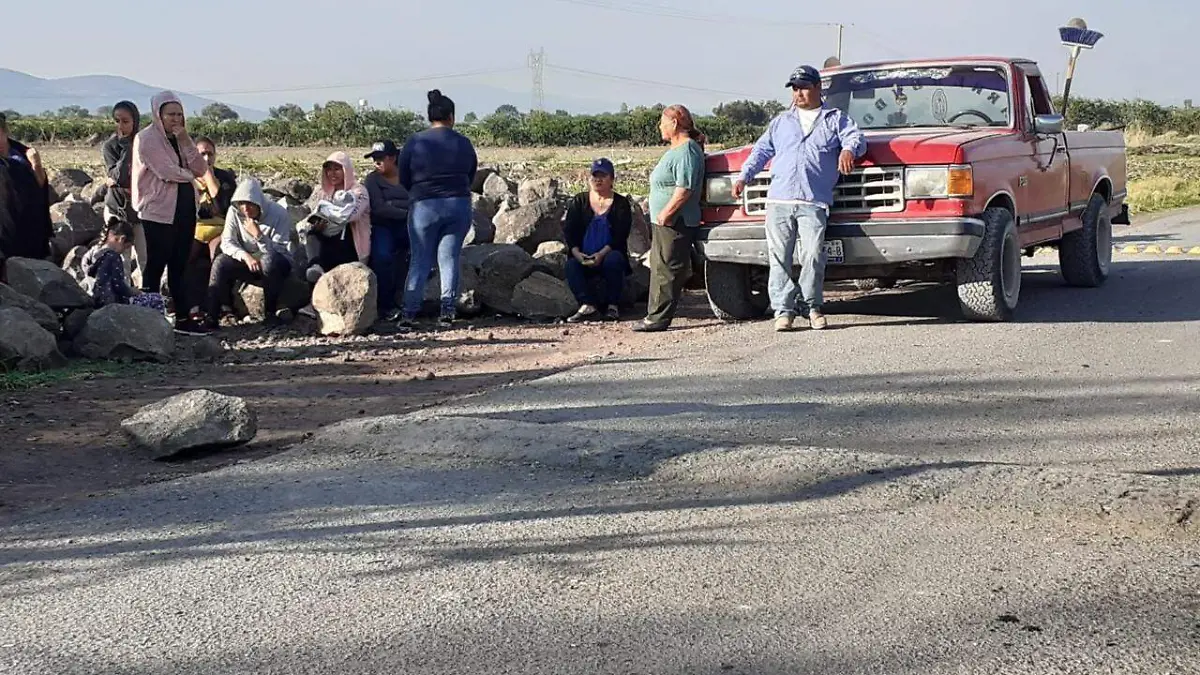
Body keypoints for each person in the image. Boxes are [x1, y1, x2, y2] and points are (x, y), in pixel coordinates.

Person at [733, 65, 867, 332]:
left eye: (804, 87)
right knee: (779, 257)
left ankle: (812, 306)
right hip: (779, 200)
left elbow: (856, 138)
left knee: (813, 255)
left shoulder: (834, 118)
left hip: (813, 201)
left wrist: (848, 150)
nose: (799, 93)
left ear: (818, 88)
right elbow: (761, 150)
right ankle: (783, 310)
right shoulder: (781, 122)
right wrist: (744, 176)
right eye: (795, 88)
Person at [131, 90, 211, 336]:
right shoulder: (146, 139)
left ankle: (184, 319)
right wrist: (190, 176)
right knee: (156, 264)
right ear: (159, 114)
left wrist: (186, 140)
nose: (176, 119)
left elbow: (200, 167)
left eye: (179, 114)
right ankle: (150, 318)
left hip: (184, 207)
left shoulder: (181, 139)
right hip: (157, 210)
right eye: (170, 114)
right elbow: (166, 171)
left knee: (180, 263)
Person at [396, 89, 477, 329]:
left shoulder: (415, 141)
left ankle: (409, 314)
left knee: (420, 260)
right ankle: (447, 311)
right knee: (449, 258)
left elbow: (403, 176)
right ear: (451, 116)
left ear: (429, 116)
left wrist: (417, 193)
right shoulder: (463, 142)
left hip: (424, 206)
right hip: (457, 204)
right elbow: (471, 173)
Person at [632, 104, 706, 332]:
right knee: (660, 264)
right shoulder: (677, 149)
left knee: (667, 268)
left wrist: (667, 213)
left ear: (674, 123)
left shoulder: (687, 151)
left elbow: (685, 188)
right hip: (665, 220)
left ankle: (658, 318)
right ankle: (654, 313)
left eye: (662, 122)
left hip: (676, 221)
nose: (659, 126)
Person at [204, 178, 294, 330]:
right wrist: (245, 257)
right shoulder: (235, 212)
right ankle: (212, 315)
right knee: (221, 262)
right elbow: (227, 242)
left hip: (276, 264)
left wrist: (259, 236)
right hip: (248, 261)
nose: (245, 208)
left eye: (250, 204)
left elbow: (280, 250)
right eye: (241, 204)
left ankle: (270, 313)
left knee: (269, 260)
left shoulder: (279, 214)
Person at [563, 157, 632, 322]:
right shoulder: (579, 201)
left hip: (608, 253)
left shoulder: (621, 203)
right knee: (571, 265)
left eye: (603, 176)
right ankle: (587, 305)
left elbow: (620, 236)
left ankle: (612, 306)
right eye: (594, 176)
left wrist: (601, 254)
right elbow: (570, 231)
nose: (597, 179)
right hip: (583, 255)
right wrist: (577, 253)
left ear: (612, 179)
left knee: (614, 260)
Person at [300, 151, 371, 281]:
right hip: (327, 239)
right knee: (311, 236)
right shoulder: (323, 192)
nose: (332, 173)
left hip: (350, 244)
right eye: (329, 169)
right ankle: (315, 268)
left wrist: (330, 214)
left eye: (337, 169)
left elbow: (350, 216)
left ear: (346, 170)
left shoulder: (359, 191)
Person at [0, 112, 53, 280]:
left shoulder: (23, 153)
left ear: (4, 131)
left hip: (30, 223)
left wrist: (36, 163)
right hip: (5, 228)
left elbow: (40, 185)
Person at [364, 139, 411, 322]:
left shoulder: (408, 176)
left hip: (407, 226)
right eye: (374, 158)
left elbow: (417, 200)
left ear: (393, 158)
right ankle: (386, 306)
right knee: (382, 257)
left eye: (381, 158)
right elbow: (379, 208)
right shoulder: (372, 180)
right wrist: (407, 212)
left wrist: (394, 204)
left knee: (422, 251)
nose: (377, 162)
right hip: (383, 226)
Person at [83, 221, 166, 313]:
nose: (123, 251)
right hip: (113, 303)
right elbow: (119, 286)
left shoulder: (92, 253)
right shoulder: (113, 257)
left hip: (96, 300)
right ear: (121, 239)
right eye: (126, 247)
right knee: (156, 299)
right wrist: (134, 291)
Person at [100, 101, 145, 271]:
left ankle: (147, 294)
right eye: (117, 121)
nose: (120, 126)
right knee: (121, 259)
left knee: (144, 257)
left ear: (135, 121)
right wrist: (127, 147)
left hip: (141, 208)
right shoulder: (110, 146)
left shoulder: (145, 144)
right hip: (117, 208)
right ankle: (122, 296)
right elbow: (119, 177)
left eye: (125, 121)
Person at [193, 135, 236, 259]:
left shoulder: (225, 178)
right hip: (195, 229)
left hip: (220, 229)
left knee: (217, 251)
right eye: (202, 154)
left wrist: (209, 177)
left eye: (210, 154)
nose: (206, 159)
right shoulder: (186, 177)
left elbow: (223, 208)